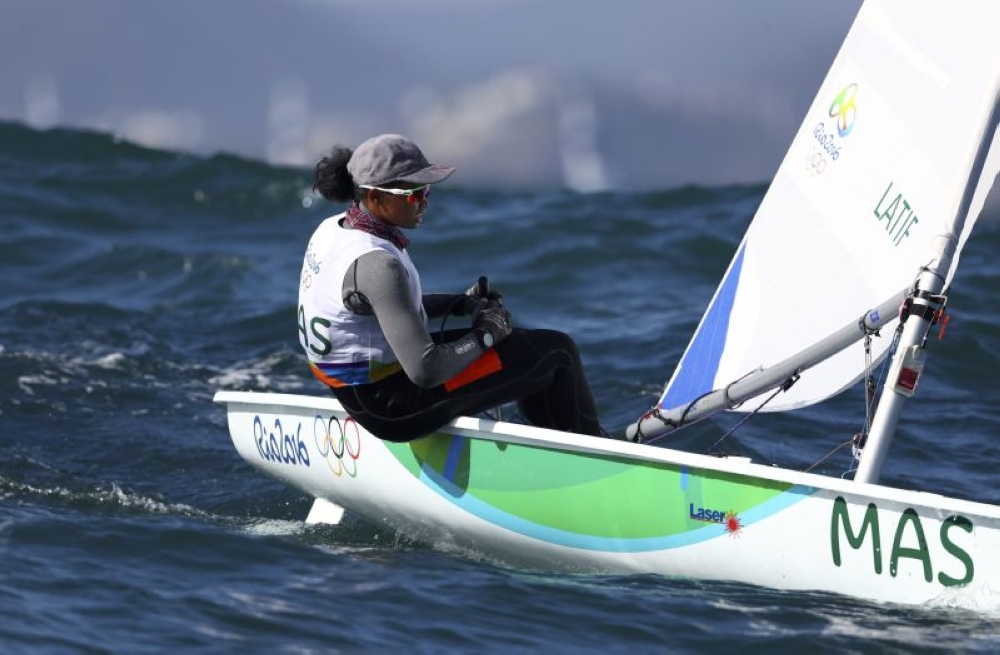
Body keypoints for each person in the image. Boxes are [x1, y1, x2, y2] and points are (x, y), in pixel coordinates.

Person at [298, 133, 603, 442]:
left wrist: (458, 304)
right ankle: (593, 457)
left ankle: (549, 438)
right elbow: (426, 370)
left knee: (528, 346)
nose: (425, 201)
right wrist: (486, 335)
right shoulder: (378, 265)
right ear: (375, 198)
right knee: (555, 352)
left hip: (360, 394)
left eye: (426, 189)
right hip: (394, 408)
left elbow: (383, 309)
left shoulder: (335, 229)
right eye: (415, 193)